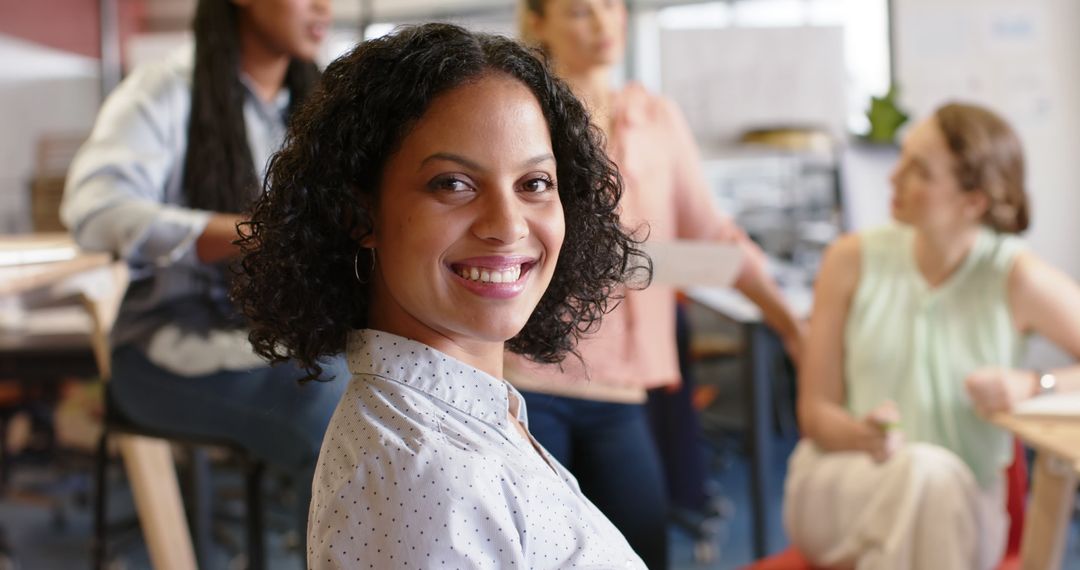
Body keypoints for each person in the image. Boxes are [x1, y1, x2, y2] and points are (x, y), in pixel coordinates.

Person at [231, 23, 655, 568]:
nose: (507, 225)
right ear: (360, 214)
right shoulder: (428, 476)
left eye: (534, 184)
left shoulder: (462, 417)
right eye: (453, 183)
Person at [514, 1, 805, 566]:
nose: (603, 24)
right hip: (529, 372)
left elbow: (713, 237)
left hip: (621, 386)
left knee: (641, 547)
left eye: (612, 6)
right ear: (539, 22)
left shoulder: (657, 117)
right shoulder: (525, 112)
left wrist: (789, 323)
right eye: (579, 11)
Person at [60, 0, 346, 543]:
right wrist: (251, 234)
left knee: (390, 382)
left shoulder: (313, 107)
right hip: (163, 352)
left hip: (273, 340)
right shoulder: (166, 90)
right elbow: (94, 211)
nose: (323, 6)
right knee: (335, 409)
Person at [786, 102, 1080, 570]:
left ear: (974, 201)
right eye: (902, 159)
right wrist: (863, 436)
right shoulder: (850, 259)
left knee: (931, 484)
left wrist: (1032, 384)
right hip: (845, 482)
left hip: (963, 504)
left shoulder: (1013, 274)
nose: (892, 178)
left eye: (919, 171)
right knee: (923, 477)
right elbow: (815, 413)